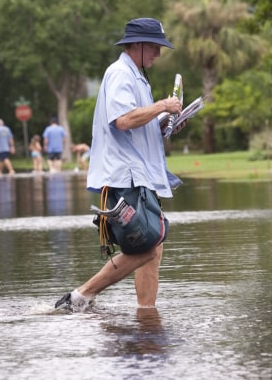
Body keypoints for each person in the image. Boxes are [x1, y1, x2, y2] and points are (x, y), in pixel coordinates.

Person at [55, 17, 185, 312]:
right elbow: (123, 120)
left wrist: (167, 122)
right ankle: (80, 296)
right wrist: (164, 106)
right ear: (137, 45)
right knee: (149, 244)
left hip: (138, 174)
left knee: (153, 244)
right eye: (154, 46)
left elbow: (137, 120)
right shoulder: (120, 73)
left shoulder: (136, 75)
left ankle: (146, 312)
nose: (158, 53)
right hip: (124, 176)